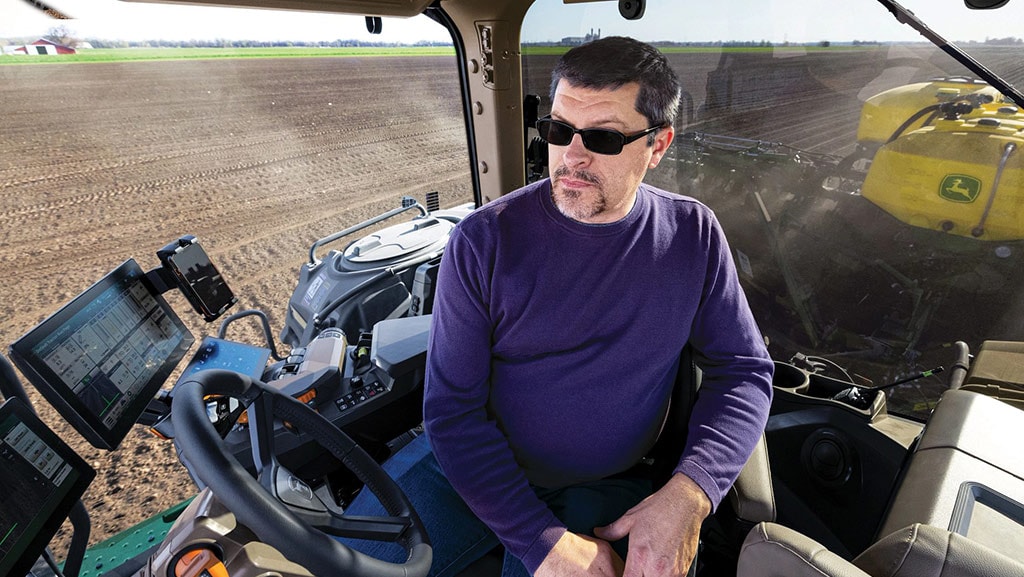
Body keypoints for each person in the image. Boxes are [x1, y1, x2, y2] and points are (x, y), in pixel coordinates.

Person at [343, 36, 774, 577]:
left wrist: (692, 492)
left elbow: (744, 371)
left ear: (657, 146)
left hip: (612, 484)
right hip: (471, 471)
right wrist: (539, 540)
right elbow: (452, 413)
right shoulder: (484, 242)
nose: (571, 156)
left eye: (602, 138)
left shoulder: (692, 236)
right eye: (558, 130)